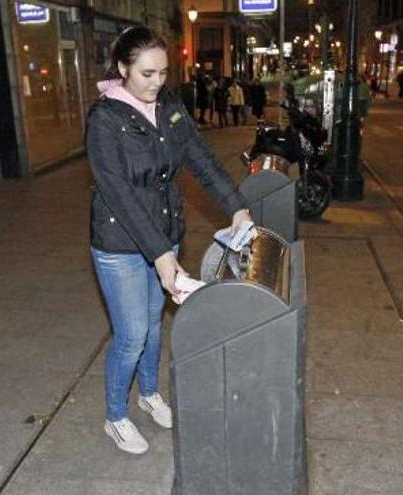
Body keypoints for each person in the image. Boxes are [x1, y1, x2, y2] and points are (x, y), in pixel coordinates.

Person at [86, 26, 253, 455]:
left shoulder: (170, 108)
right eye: (146, 73)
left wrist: (236, 205)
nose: (157, 82)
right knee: (132, 334)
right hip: (120, 243)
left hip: (164, 237)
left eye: (163, 72)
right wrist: (161, 255)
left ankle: (149, 394)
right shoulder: (105, 120)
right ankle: (115, 416)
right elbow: (118, 194)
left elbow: (201, 159)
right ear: (122, 68)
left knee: (155, 328)